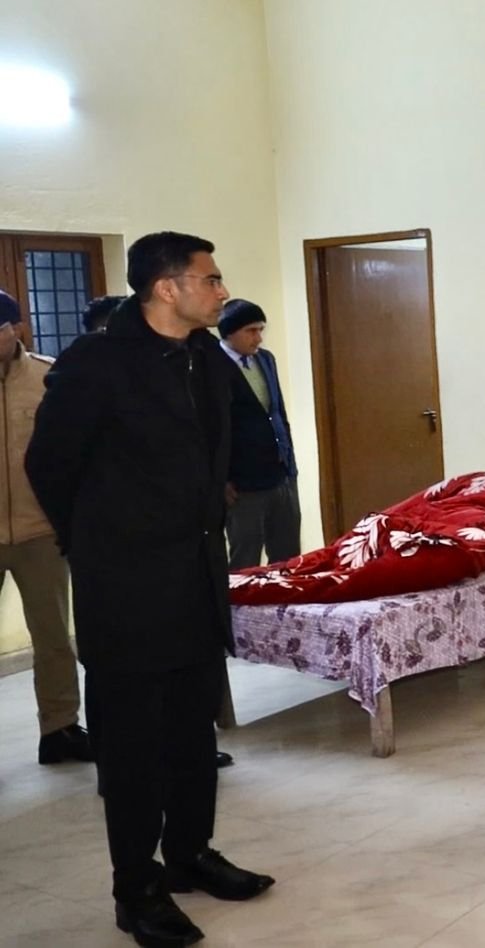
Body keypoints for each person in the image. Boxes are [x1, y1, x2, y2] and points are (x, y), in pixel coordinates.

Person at [26, 232, 274, 948]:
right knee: (133, 748)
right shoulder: (96, 363)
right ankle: (135, 888)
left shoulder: (205, 358)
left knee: (193, 733)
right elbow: (50, 465)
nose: (222, 291)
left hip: (195, 575)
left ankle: (190, 854)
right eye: (211, 279)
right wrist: (94, 542)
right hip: (125, 585)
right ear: (167, 288)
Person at [0, 290, 93, 765]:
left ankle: (59, 729)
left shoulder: (48, 377)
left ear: (16, 328)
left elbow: (74, 452)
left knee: (54, 638)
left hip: (40, 530)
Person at [216, 299, 300, 569]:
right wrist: (221, 478)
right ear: (229, 332)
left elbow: (278, 412)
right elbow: (210, 427)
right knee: (246, 556)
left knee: (287, 554)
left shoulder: (265, 359)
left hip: (280, 472)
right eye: (251, 331)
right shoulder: (212, 366)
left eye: (260, 330)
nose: (258, 338)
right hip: (242, 483)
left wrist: (289, 462)